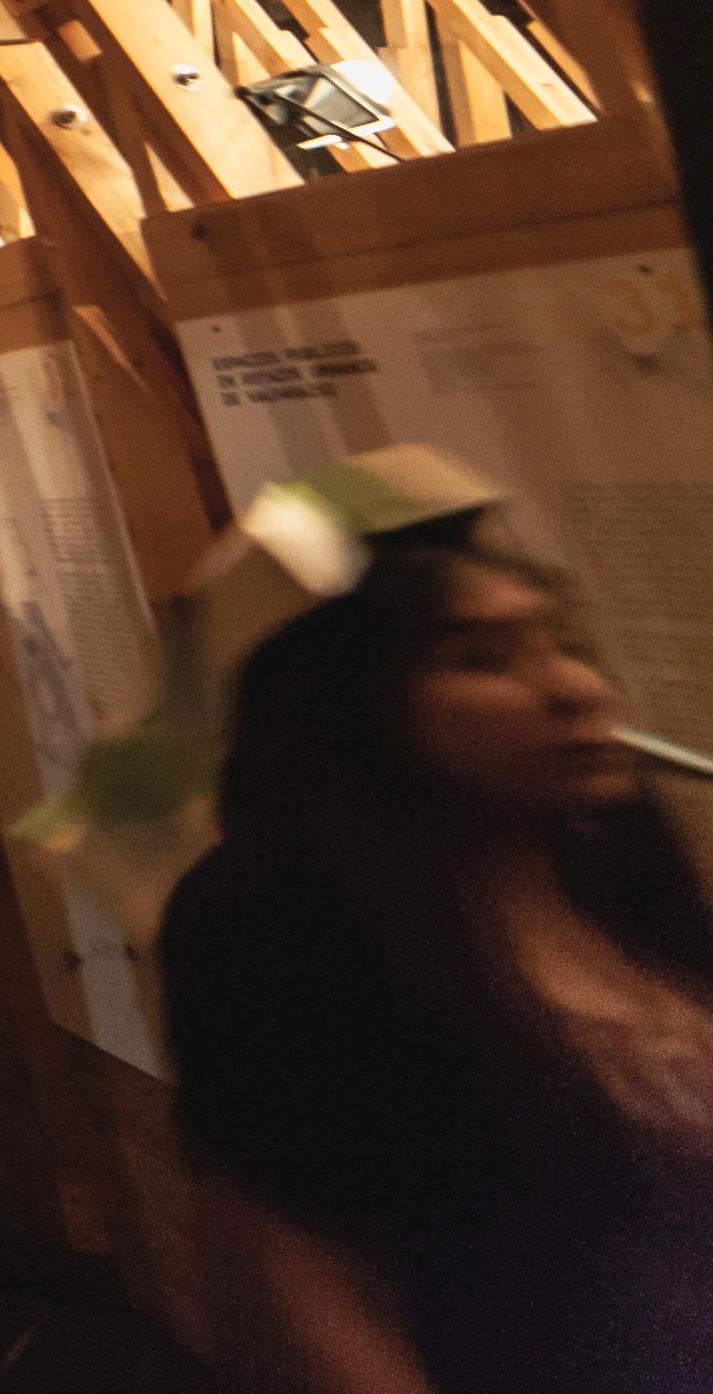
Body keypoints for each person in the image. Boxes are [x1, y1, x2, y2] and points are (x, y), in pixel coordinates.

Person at [164, 539, 713, 1392]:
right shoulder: (281, 927)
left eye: (563, 642)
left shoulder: (623, 870)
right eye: (480, 658)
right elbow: (304, 1282)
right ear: (347, 701)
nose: (578, 690)